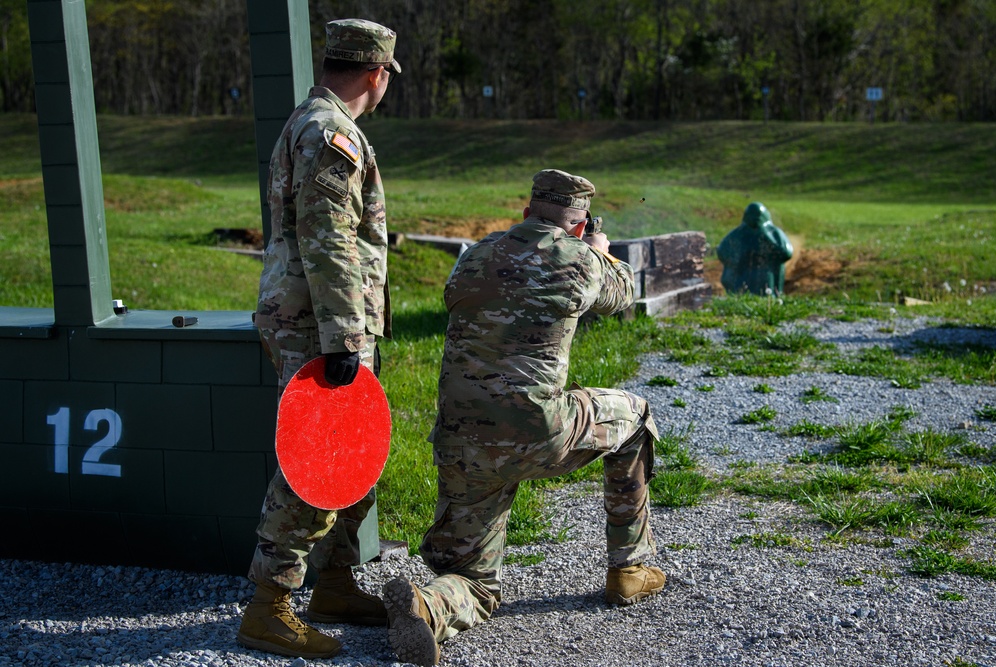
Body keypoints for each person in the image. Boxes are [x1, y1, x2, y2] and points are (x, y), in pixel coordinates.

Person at [382, 169, 665, 666]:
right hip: (538, 432)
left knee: (476, 581)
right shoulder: (581, 258)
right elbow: (623, 293)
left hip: (462, 438)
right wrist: (598, 249)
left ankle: (429, 607)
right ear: (578, 226)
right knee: (636, 418)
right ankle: (630, 569)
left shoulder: (474, 256)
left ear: (526, 211)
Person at [237, 18, 400, 660]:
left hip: (325, 320)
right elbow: (328, 239)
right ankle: (269, 606)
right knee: (317, 460)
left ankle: (333, 581)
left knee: (354, 450)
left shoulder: (315, 123)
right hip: (320, 324)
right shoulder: (331, 133)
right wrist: (341, 337)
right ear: (375, 74)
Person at [717, 202, 794, 295]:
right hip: (744, 280)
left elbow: (786, 253)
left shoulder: (772, 233)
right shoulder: (739, 234)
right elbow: (722, 252)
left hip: (767, 281)